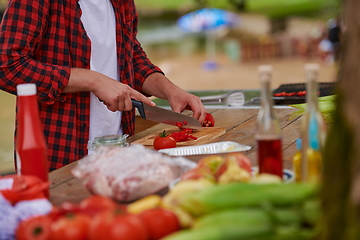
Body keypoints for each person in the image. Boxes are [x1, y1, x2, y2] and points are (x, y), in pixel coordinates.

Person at [0, 0, 207, 171]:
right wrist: (93, 80)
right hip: (58, 161)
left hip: (119, 153)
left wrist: (169, 90)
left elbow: (130, 58)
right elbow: (7, 65)